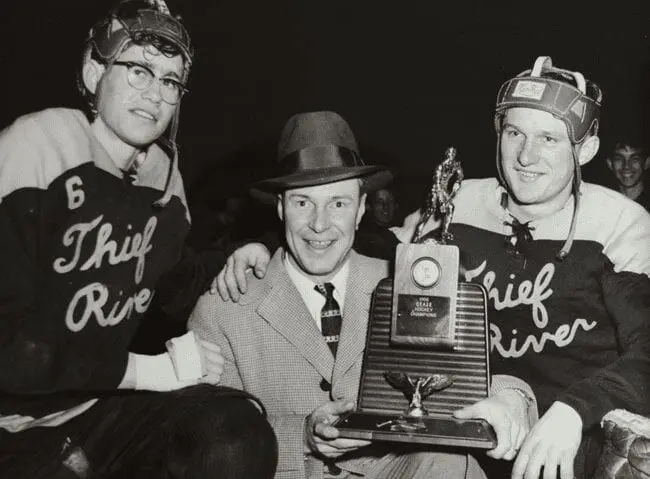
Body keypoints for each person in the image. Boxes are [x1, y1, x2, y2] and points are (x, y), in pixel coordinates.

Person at [215, 57, 650, 479]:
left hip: (569, 441)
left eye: (550, 139)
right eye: (514, 132)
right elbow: (363, 243)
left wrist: (573, 412)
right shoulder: (459, 203)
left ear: (586, 148)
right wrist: (266, 245)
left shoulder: (616, 224)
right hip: (462, 434)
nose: (526, 156)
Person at [0, 1, 276, 477]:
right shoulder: (37, 144)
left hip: (95, 408)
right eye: (138, 71)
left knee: (232, 435)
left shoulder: (164, 178)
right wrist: (147, 372)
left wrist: (237, 256)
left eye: (170, 81)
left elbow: (166, 287)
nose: (154, 94)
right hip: (12, 422)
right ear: (93, 72)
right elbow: (9, 347)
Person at [191, 111, 539, 479]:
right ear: (280, 208)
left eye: (338, 204)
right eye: (302, 203)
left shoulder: (402, 287)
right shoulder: (224, 308)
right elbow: (199, 436)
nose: (320, 224)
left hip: (395, 470)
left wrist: (511, 398)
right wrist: (302, 436)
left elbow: (472, 371)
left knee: (452, 464)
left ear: (360, 210)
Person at [605, 135, 650, 212]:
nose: (626, 166)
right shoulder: (604, 202)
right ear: (610, 163)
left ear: (646, 163)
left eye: (635, 159)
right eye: (619, 159)